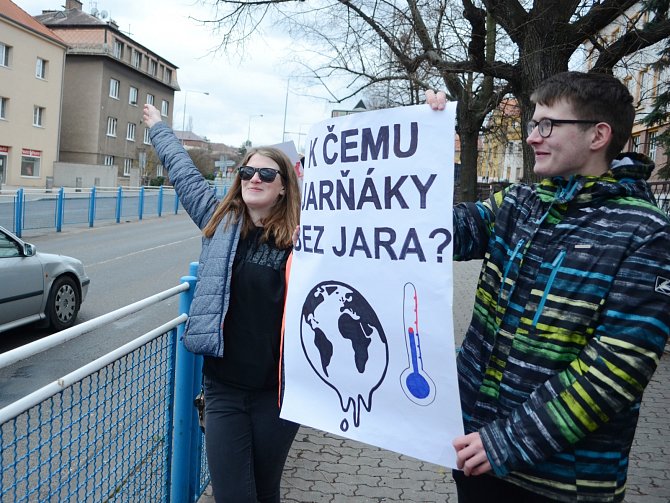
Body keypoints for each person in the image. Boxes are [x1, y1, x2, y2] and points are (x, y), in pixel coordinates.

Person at [427, 71, 670, 502]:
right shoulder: (522, 202)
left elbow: (617, 368)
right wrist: (424, 138)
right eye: (532, 124)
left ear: (598, 135)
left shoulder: (647, 231)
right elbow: (438, 232)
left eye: (547, 125)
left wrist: (508, 441)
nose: (532, 137)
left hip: (559, 482)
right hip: (473, 450)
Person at [143, 104, 301, 502]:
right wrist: (160, 129)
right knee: (234, 495)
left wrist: (432, 115)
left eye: (267, 173)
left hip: (279, 395)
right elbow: (182, 173)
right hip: (223, 390)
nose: (254, 178)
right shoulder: (220, 222)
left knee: (265, 491)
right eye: (247, 171)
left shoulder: (306, 239)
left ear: (284, 185)